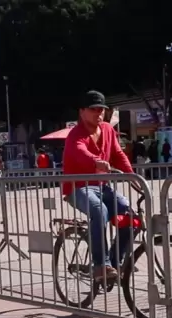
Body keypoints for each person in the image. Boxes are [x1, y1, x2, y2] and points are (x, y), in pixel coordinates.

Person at [62, 90, 135, 282]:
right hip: (78, 187)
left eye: (102, 109)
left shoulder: (108, 130)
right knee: (98, 210)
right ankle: (100, 265)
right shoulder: (75, 134)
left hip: (102, 187)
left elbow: (118, 154)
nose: (99, 113)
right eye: (93, 109)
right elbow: (79, 151)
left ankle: (115, 263)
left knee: (128, 213)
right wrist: (96, 161)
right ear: (82, 111)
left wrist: (132, 176)